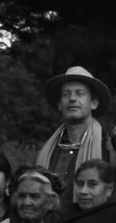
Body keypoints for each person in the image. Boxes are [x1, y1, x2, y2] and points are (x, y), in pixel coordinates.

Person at [36, 67, 111, 195]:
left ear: (93, 103)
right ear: (60, 104)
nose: (72, 99)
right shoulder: (49, 149)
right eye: (66, 94)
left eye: (79, 93)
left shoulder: (108, 146)